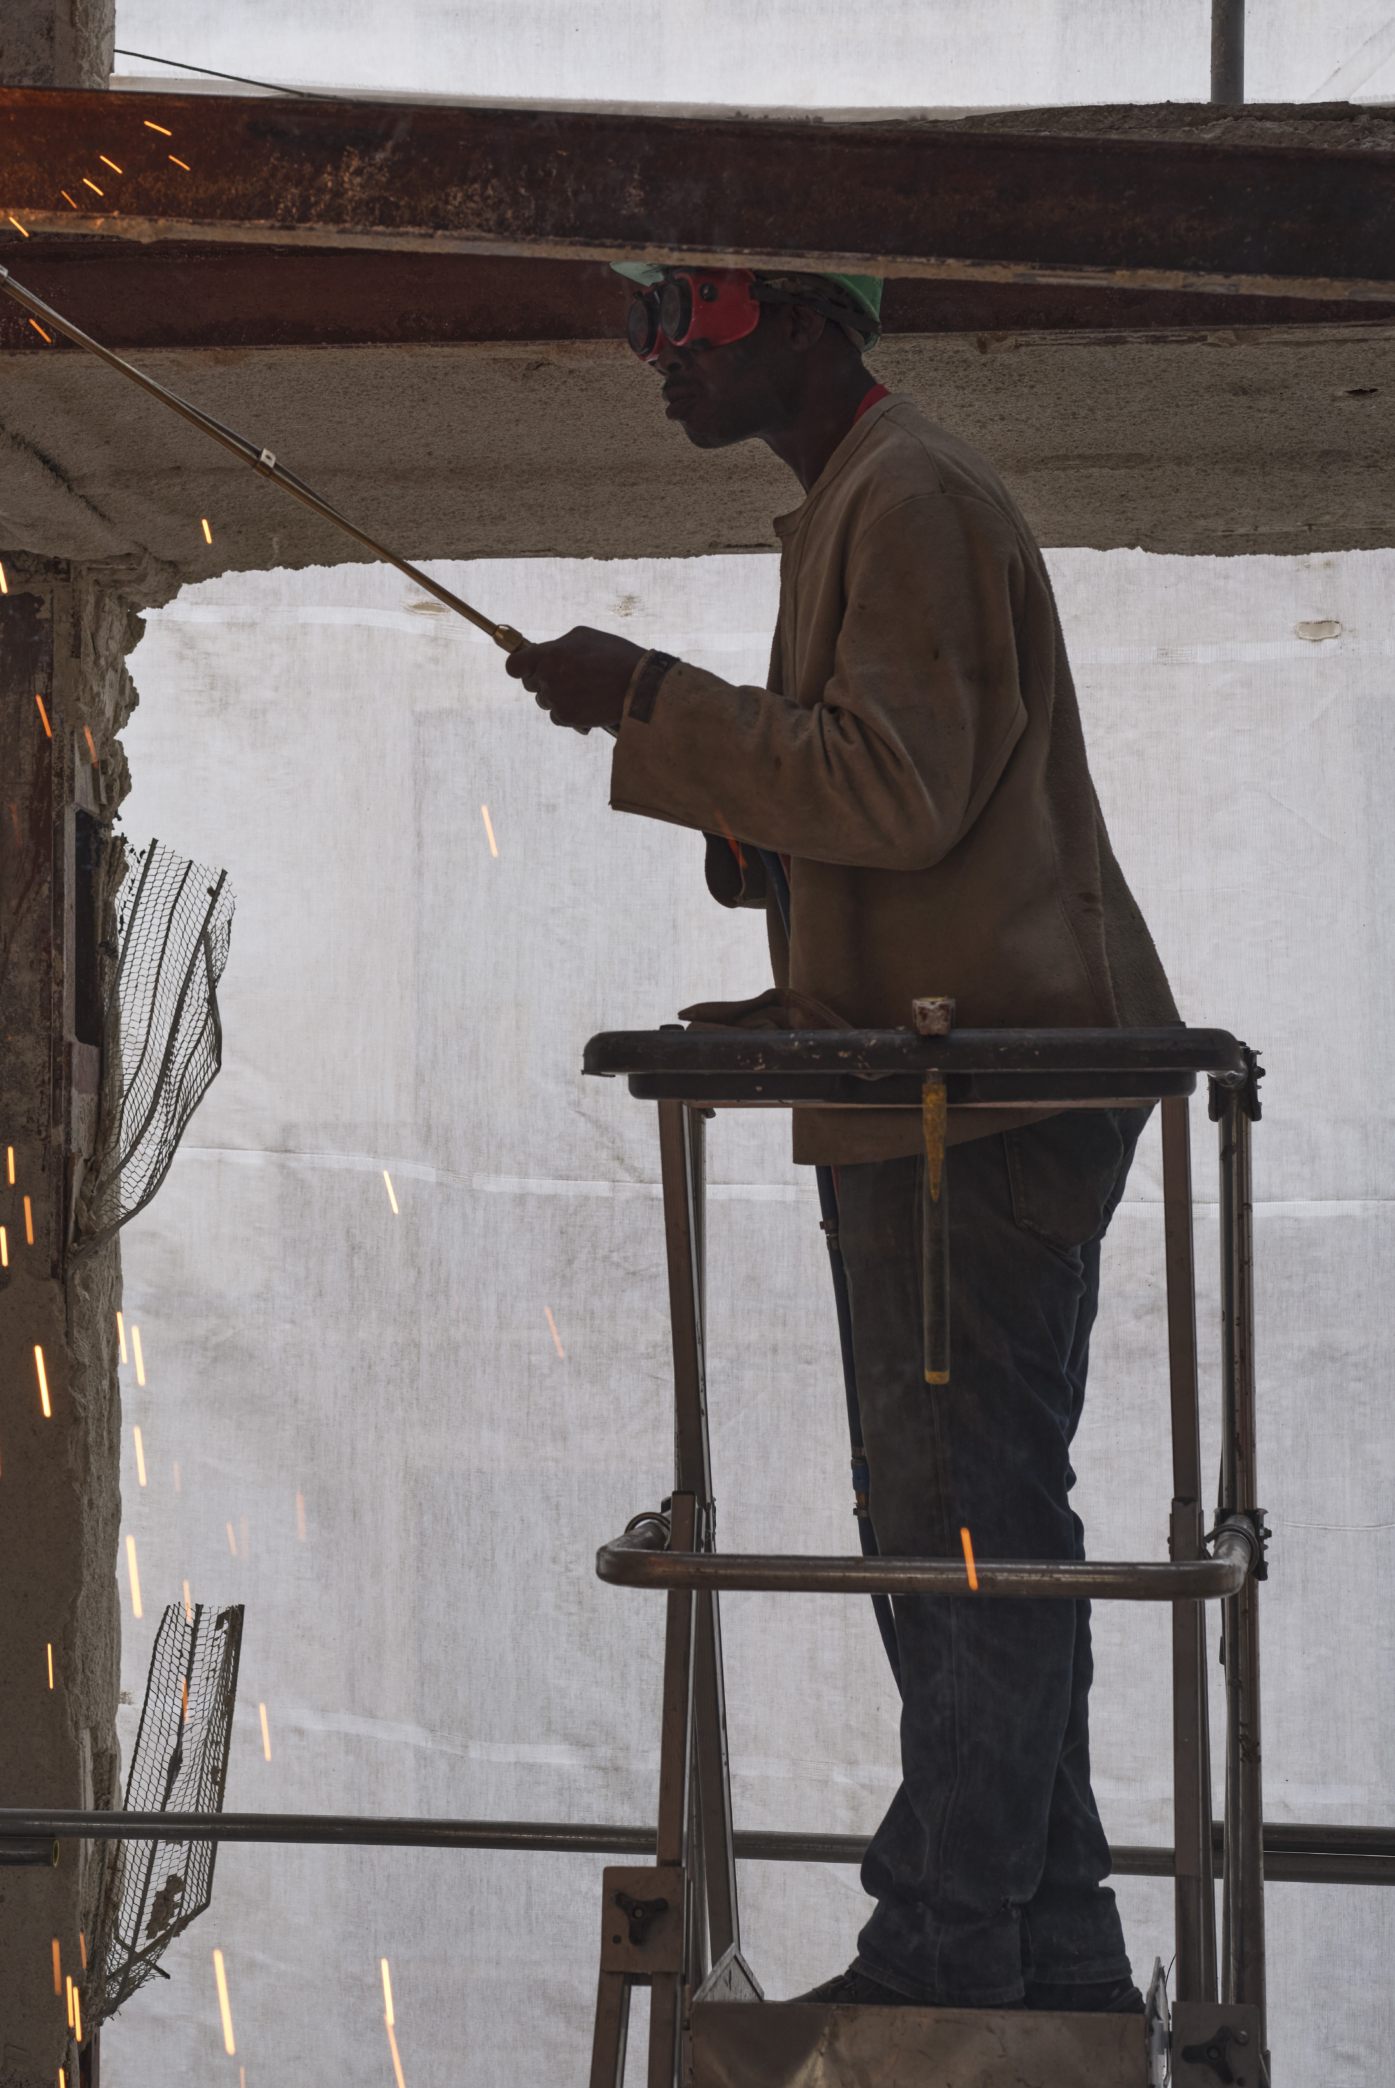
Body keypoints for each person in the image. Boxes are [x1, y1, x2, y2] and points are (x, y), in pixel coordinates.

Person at [507, 263, 1177, 2016]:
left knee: (962, 1539)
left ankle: (941, 1954)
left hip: (990, 1100)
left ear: (809, 321)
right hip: (939, 1093)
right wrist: (755, 863)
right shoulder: (851, 510)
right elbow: (889, 804)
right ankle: (1054, 1955)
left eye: (693, 317)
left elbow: (896, 788)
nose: (661, 358)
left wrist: (651, 696)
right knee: (962, 1529)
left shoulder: (916, 498)